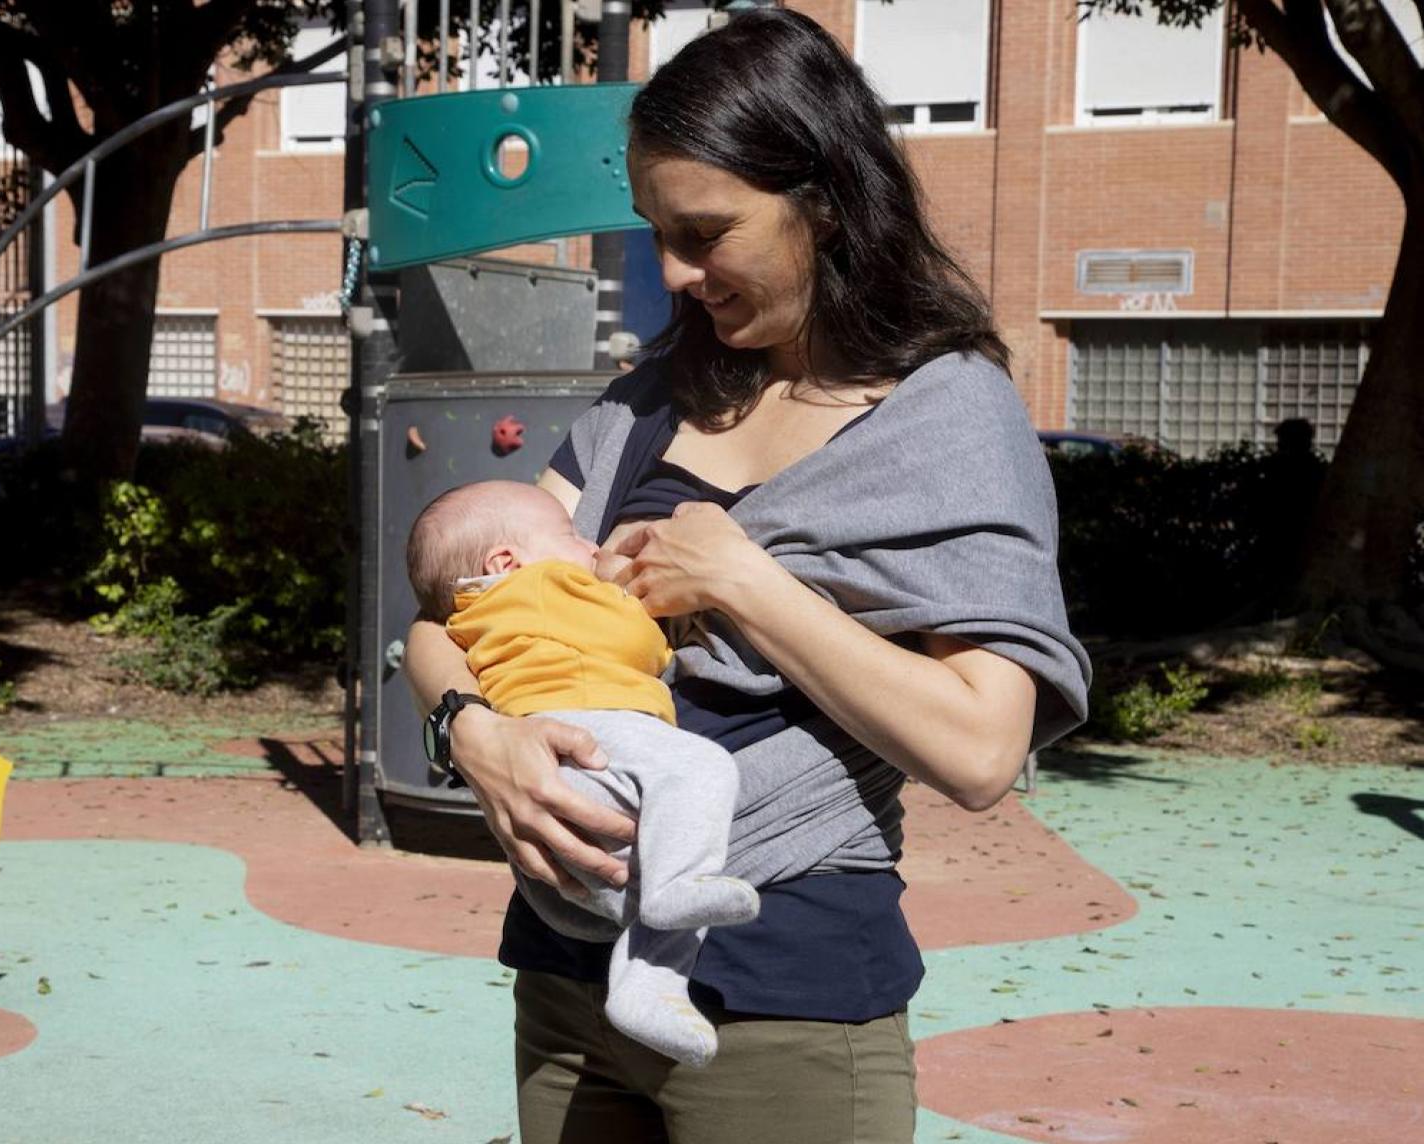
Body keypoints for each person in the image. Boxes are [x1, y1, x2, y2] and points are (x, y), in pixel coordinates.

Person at [402, 9, 1091, 1144]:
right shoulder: (657, 396)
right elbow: (453, 613)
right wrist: (477, 735)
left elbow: (982, 750)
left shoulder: (948, 417)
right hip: (570, 976)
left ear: (824, 200)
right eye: (656, 232)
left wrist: (744, 580)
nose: (674, 273)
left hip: (786, 991)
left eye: (706, 232)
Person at [408, 478, 765, 1069]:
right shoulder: (547, 586)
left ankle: (647, 988)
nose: (589, 547)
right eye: (571, 536)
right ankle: (667, 923)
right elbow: (628, 639)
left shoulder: (474, 615)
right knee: (701, 770)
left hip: (550, 761)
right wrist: (655, 612)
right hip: (590, 727)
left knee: (642, 875)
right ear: (507, 561)